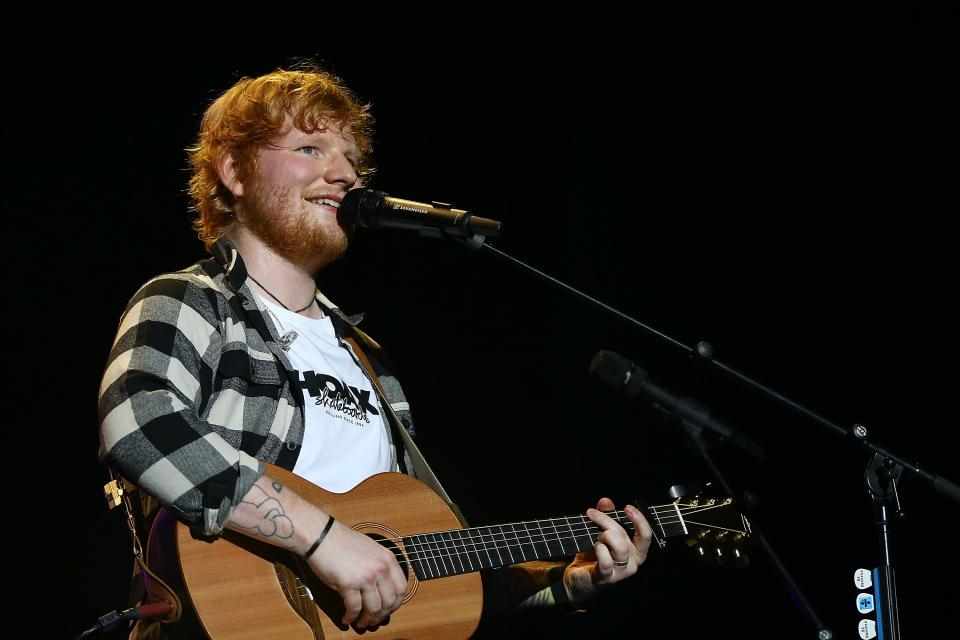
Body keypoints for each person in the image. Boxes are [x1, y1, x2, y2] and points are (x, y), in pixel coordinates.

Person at [97, 63, 652, 639]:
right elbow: (137, 422)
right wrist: (322, 538)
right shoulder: (193, 299)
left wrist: (567, 583)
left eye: (352, 162)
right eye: (311, 148)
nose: (344, 175)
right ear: (234, 171)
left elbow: (420, 569)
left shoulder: (366, 358)